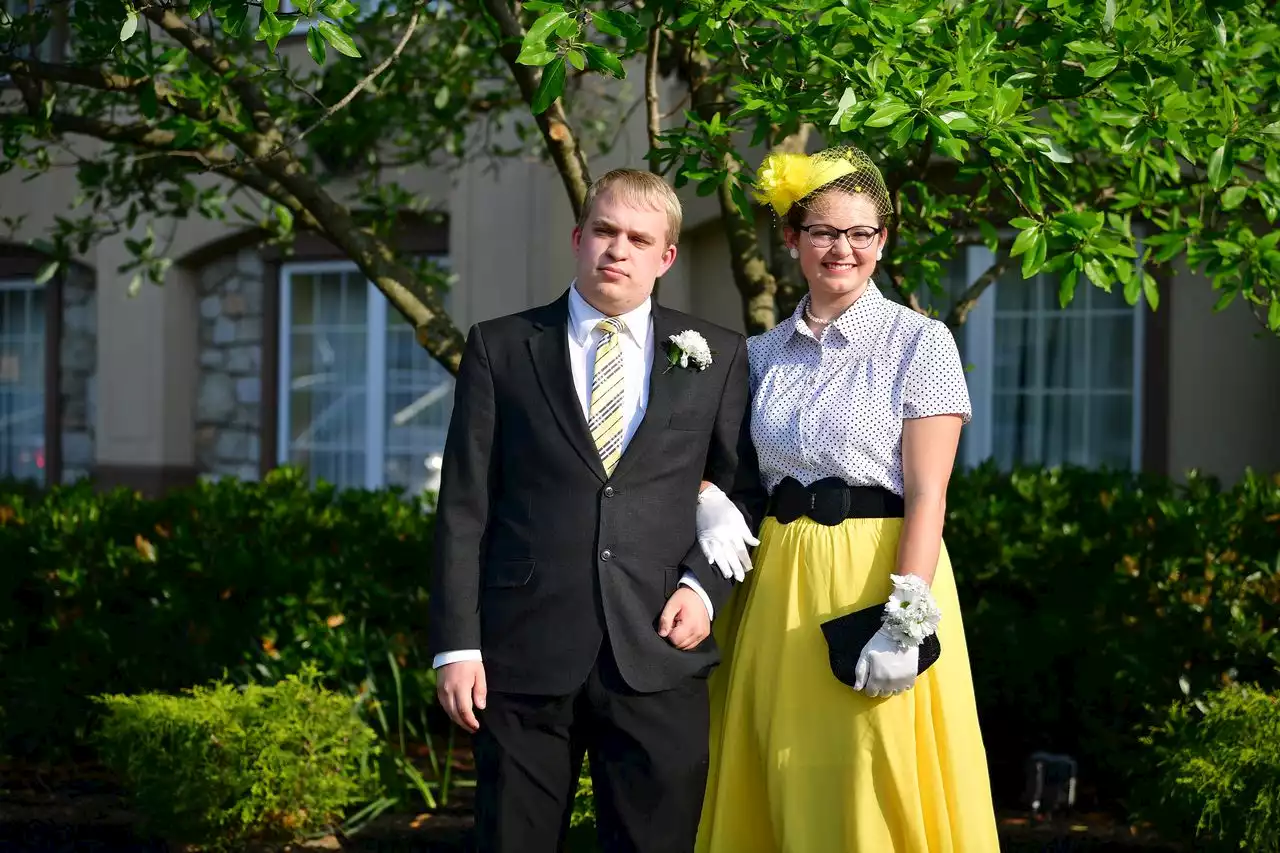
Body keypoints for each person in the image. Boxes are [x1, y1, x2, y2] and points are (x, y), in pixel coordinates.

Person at [429, 168, 759, 853]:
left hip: (659, 647)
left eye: (640, 238)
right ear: (579, 238)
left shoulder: (718, 355)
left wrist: (705, 587)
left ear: (666, 257)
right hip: (522, 654)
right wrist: (457, 644)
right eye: (605, 231)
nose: (619, 249)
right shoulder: (500, 347)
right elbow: (465, 505)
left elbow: (741, 491)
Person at [694, 146, 1001, 852]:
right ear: (794, 237)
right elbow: (722, 466)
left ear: (883, 240)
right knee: (778, 764)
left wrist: (906, 618)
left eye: (862, 233)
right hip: (777, 584)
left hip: (881, 573)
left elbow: (929, 496)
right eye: (825, 231)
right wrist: (705, 495)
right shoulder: (759, 353)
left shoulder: (920, 342)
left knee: (875, 768)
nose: (844, 248)